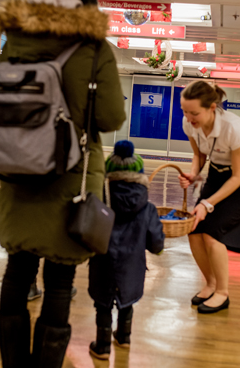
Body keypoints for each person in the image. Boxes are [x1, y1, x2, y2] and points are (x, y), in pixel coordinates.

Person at [0, 0, 126, 368]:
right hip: (70, 175)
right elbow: (109, 117)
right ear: (90, 3)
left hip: (17, 167)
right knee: (59, 278)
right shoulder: (94, 49)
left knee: (17, 270)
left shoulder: (17, 39)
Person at [178, 81, 240, 313]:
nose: (189, 118)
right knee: (194, 229)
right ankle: (211, 284)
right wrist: (193, 174)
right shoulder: (189, 124)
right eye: (184, 111)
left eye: (194, 113)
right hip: (216, 174)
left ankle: (222, 294)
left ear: (212, 108)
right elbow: (199, 155)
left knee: (212, 232)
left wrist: (207, 204)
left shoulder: (233, 126)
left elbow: (238, 177)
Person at [87, 140, 164, 360]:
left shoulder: (99, 201)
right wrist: (156, 248)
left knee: (103, 304)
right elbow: (156, 244)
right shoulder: (147, 208)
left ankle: (102, 347)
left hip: (103, 263)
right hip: (132, 266)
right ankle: (123, 336)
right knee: (127, 302)